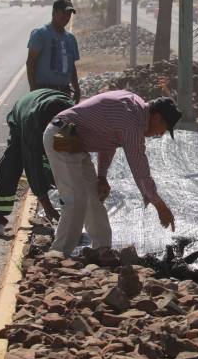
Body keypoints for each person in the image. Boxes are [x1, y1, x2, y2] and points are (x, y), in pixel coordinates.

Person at [44, 90, 181, 254]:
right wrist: (159, 204)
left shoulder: (134, 105)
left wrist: (101, 176)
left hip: (75, 141)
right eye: (164, 128)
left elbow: (107, 141)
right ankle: (58, 254)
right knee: (76, 198)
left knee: (93, 197)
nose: (160, 133)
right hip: (62, 136)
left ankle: (102, 249)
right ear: (157, 117)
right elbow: (140, 168)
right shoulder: (133, 123)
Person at [0, 89, 75, 237]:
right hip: (22, 115)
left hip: (49, 102)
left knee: (63, 159)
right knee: (13, 164)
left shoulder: (73, 115)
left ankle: (64, 204)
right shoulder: (31, 123)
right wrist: (48, 208)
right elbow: (32, 166)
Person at [27, 0, 81, 100]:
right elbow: (30, 63)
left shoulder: (71, 38)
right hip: (43, 92)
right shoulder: (40, 34)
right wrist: (33, 91)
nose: (67, 17)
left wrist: (77, 89)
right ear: (54, 12)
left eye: (69, 14)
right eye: (64, 13)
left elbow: (72, 67)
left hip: (65, 92)